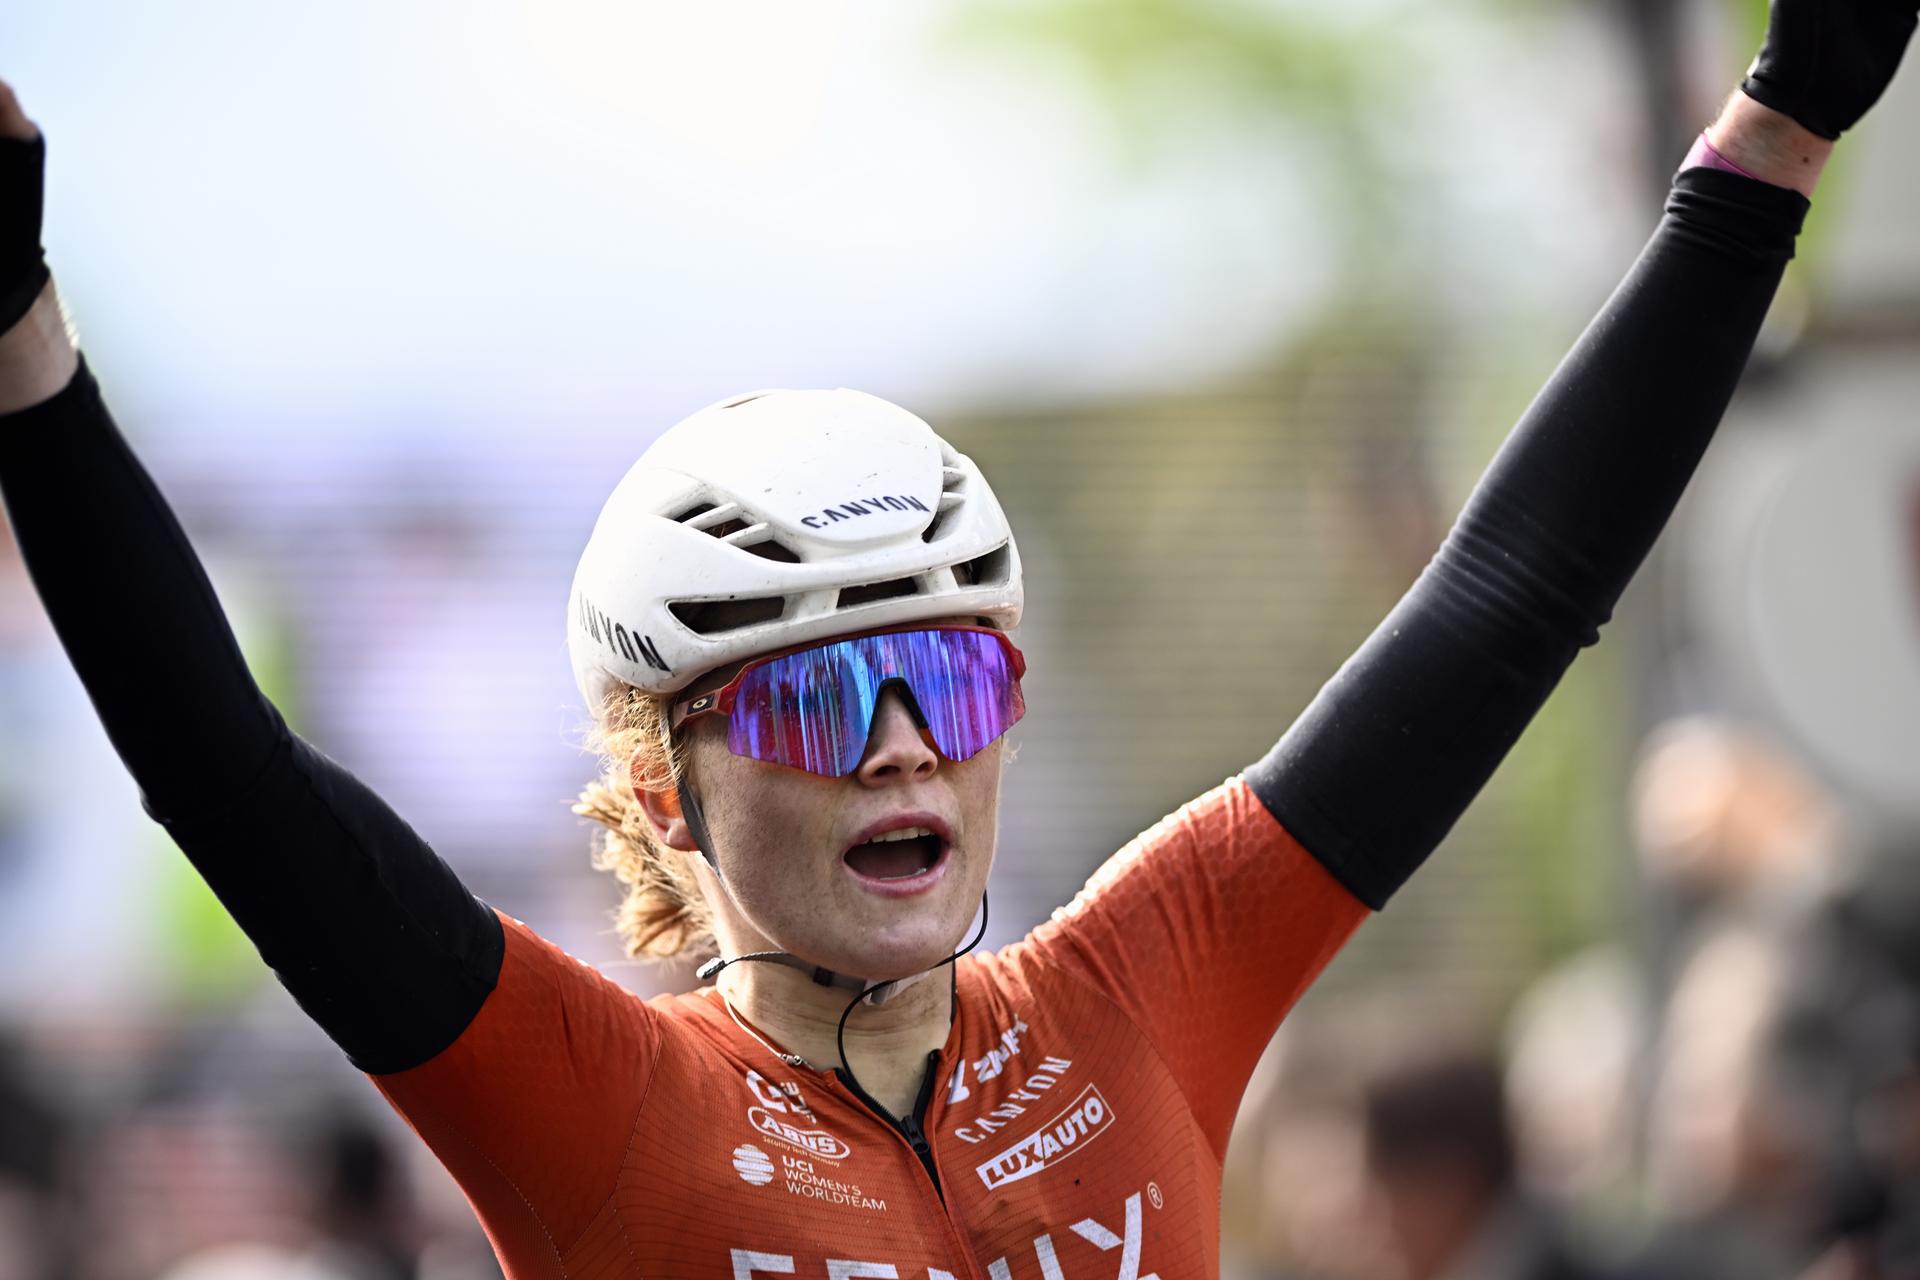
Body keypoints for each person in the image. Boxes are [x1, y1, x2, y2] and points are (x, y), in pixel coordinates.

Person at [2, 1, 1915, 1273]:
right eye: (822, 696)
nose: (905, 742)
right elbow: (225, 774)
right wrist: (19, 331)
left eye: (952, 674)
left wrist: (1776, 139)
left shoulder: (1137, 996)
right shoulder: (600, 1106)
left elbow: (1500, 610)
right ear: (665, 795)